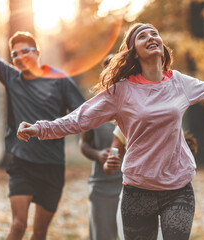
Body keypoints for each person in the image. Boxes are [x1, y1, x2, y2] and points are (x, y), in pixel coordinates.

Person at [17, 23, 204, 240]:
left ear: (161, 44)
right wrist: (39, 129)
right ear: (134, 51)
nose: (150, 37)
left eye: (154, 33)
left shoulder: (179, 82)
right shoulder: (120, 91)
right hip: (137, 189)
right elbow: (79, 119)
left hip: (178, 187)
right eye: (142, 36)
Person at [0, 1, 85, 239]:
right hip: (22, 163)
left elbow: (83, 114)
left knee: (40, 231)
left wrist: (95, 146)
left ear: (37, 52)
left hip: (53, 165)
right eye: (15, 54)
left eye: (25, 51)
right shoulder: (12, 78)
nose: (20, 57)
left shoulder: (60, 80)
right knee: (18, 225)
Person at [79, 54, 123, 240]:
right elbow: (83, 144)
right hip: (102, 186)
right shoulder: (93, 109)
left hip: (132, 185)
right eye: (110, 70)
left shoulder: (137, 106)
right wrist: (98, 154)